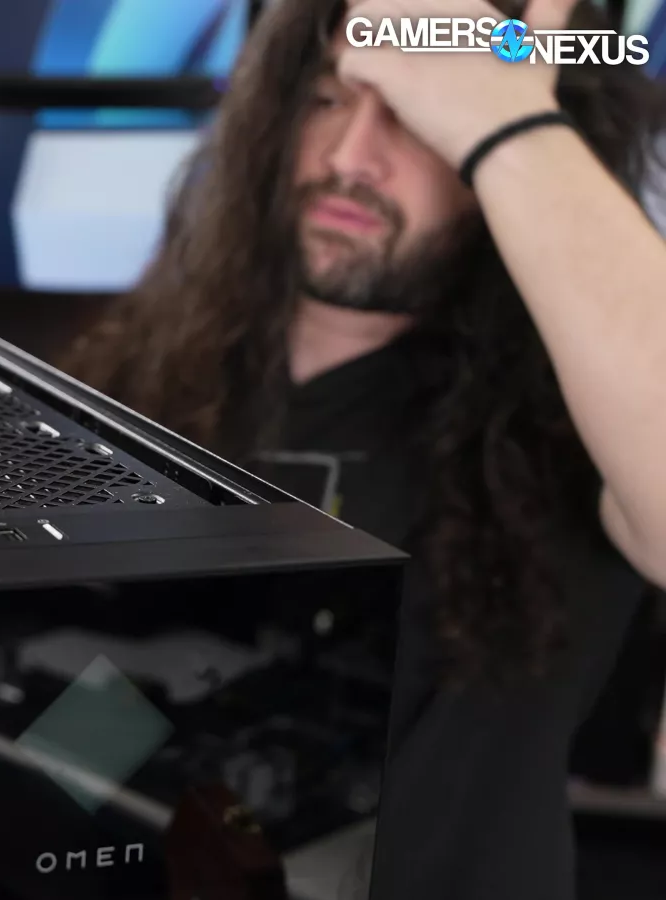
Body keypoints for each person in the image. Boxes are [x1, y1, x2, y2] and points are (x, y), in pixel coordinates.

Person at [61, 0, 666, 897]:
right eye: (324, 100)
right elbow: (78, 739)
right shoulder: (133, 384)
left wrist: (511, 124)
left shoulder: (569, 422)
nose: (350, 159)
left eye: (417, 115)